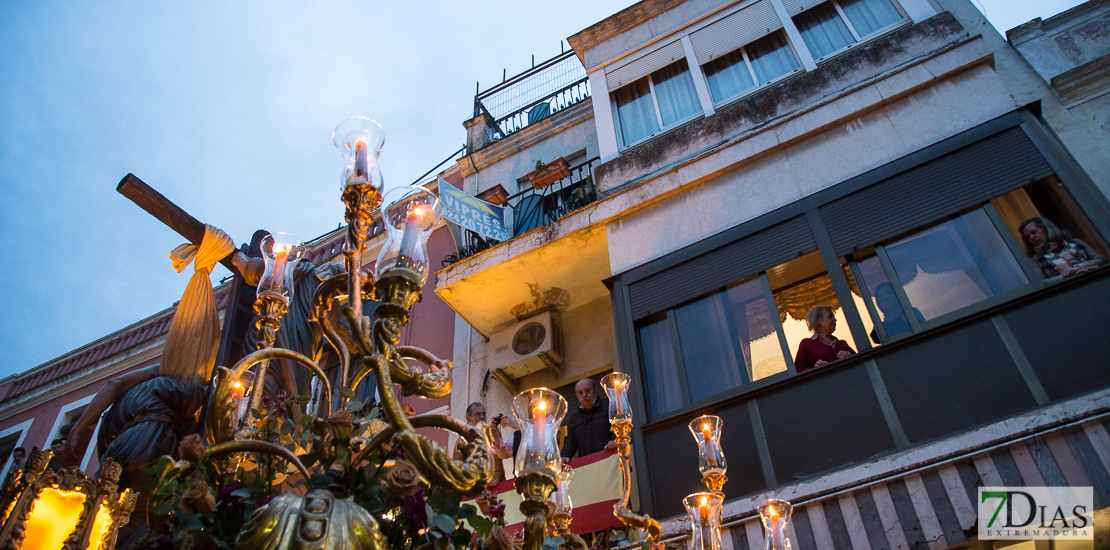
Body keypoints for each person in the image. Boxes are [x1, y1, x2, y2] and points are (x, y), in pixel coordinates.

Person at [1019, 217, 1105, 283]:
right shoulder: (1036, 260)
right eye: (1028, 237)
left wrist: (1079, 267)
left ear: (1045, 228)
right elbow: (1042, 283)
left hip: (1097, 279)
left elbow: (1100, 260)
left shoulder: (1075, 242)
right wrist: (1067, 275)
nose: (1032, 237)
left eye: (1034, 232)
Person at [454, 402, 513, 485]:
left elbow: (497, 460)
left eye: (483, 414)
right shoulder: (461, 440)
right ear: (468, 419)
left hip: (495, 486)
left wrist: (494, 480)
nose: (482, 417)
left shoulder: (492, 432)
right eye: (477, 414)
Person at [560, 379, 616, 459]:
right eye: (580, 393)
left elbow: (619, 425)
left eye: (587, 391)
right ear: (577, 396)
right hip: (587, 465)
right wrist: (564, 456)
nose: (584, 395)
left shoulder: (609, 405)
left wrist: (615, 440)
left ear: (596, 391)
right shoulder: (574, 418)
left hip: (610, 459)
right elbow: (570, 441)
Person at [794, 305, 855, 373]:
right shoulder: (807, 344)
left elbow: (861, 362)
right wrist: (815, 369)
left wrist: (850, 356)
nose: (835, 319)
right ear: (819, 319)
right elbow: (797, 371)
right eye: (830, 316)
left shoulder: (842, 344)